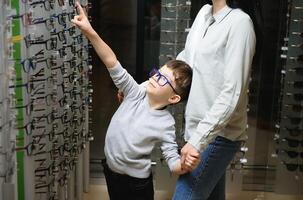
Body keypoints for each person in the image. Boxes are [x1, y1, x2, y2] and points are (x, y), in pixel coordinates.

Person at [71, 2, 199, 200]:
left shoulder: (166, 123)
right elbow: (112, 62)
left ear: (173, 98)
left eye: (164, 80)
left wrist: (184, 165)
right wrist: (89, 31)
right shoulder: (136, 92)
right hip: (111, 172)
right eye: (158, 73)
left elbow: (172, 161)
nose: (156, 78)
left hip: (137, 185)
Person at [172, 0, 257, 199]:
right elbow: (182, 64)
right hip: (197, 131)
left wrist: (197, 141)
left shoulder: (240, 23)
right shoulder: (204, 14)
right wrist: (143, 90)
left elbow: (232, 92)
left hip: (219, 136)